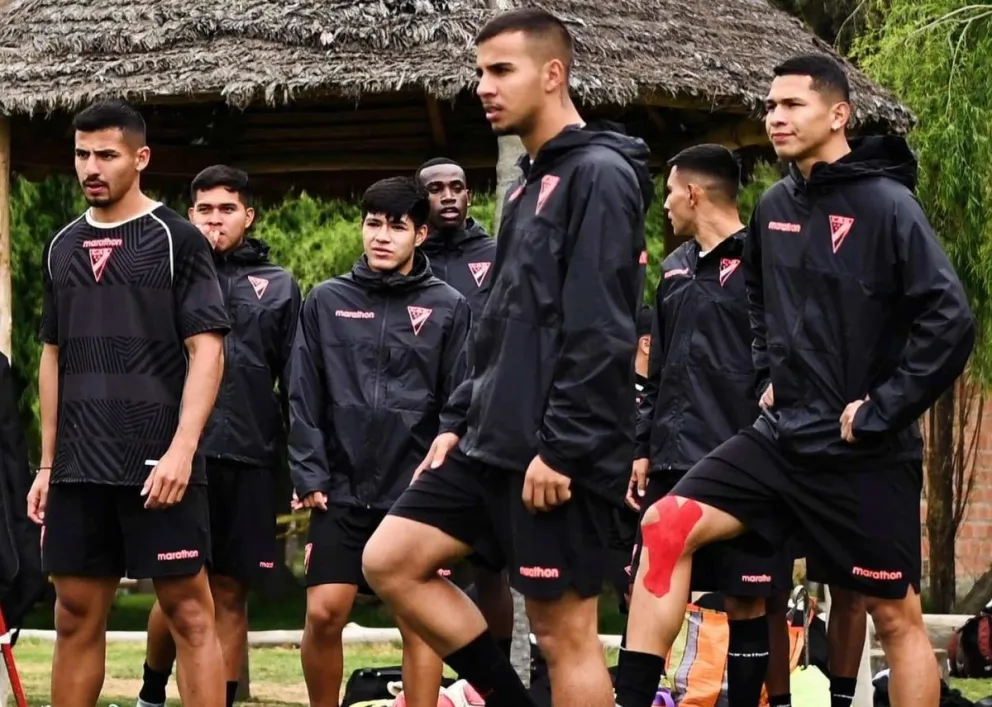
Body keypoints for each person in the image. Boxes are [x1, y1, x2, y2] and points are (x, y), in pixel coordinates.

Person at [613, 54, 976, 707]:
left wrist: (881, 408)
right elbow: (758, 295)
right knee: (664, 525)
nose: (775, 118)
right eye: (770, 106)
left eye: (791, 105)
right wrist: (769, 371)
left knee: (895, 615)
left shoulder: (888, 205)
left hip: (864, 452)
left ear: (838, 115)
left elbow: (950, 321)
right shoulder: (775, 205)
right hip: (780, 439)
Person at [362, 8, 653, 707]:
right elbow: (499, 319)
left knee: (563, 633)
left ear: (552, 74)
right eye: (479, 72)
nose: (483, 87)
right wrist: (458, 420)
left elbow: (602, 329)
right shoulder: (526, 181)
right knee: (391, 559)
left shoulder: (600, 175)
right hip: (488, 442)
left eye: (500, 70)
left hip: (556, 451)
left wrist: (563, 447)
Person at [27, 99, 231, 707]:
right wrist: (47, 464)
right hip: (79, 466)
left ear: (140, 158)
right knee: (73, 614)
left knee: (189, 614)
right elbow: (52, 357)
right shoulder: (61, 245)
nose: (91, 168)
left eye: (106, 155)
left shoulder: (177, 239)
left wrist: (182, 451)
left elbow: (208, 351)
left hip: (158, 463)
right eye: (81, 154)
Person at [288, 176, 474, 707]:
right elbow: (303, 391)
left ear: (420, 234)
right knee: (324, 613)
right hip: (340, 489)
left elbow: (461, 399)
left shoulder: (449, 306)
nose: (382, 236)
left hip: (416, 494)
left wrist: (444, 477)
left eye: (396, 226)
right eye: (373, 224)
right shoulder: (325, 300)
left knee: (419, 623)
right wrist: (309, 471)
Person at [625, 144, 794, 706]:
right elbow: (656, 368)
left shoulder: (762, 260)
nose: (666, 204)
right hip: (672, 458)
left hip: (743, 462)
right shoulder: (673, 268)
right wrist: (642, 447)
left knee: (745, 601)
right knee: (649, 586)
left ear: (694, 193)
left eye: (671, 191)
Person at [136, 166, 301, 707]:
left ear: (248, 216)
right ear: (190, 215)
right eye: (204, 209)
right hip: (179, 456)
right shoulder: (162, 277)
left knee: (229, 592)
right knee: (181, 586)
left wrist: (302, 464)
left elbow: (296, 383)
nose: (215, 220)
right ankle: (151, 693)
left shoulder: (280, 286)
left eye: (227, 209)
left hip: (251, 456)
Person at [415, 156, 516, 658]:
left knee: (489, 564)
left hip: (483, 421)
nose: (448, 196)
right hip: (422, 423)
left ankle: (492, 679)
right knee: (427, 561)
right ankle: (436, 677)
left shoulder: (496, 254)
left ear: (469, 195)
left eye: (456, 187)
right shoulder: (409, 257)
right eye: (436, 189)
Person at [608, 305, 654, 615]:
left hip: (658, 509)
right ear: (646, 343)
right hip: (618, 517)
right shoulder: (614, 389)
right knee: (631, 595)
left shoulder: (668, 391)